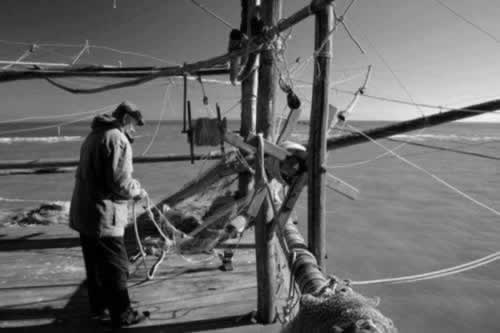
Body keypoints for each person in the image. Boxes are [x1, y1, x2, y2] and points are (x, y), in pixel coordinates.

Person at [69, 101, 149, 328]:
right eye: (134, 124)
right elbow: (120, 183)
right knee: (117, 265)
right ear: (125, 119)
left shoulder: (94, 135)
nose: (134, 129)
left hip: (84, 211)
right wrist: (138, 190)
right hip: (103, 214)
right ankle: (123, 315)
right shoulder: (117, 138)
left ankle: (99, 308)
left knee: (95, 264)